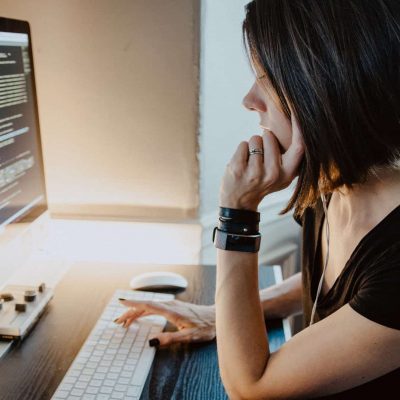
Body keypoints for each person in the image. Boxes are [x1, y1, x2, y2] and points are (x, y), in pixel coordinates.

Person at [115, 0, 400, 398]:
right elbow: (353, 290)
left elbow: (251, 387)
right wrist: (221, 317)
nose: (250, 99)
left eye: (267, 79)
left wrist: (237, 213)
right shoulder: (332, 189)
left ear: (329, 88)